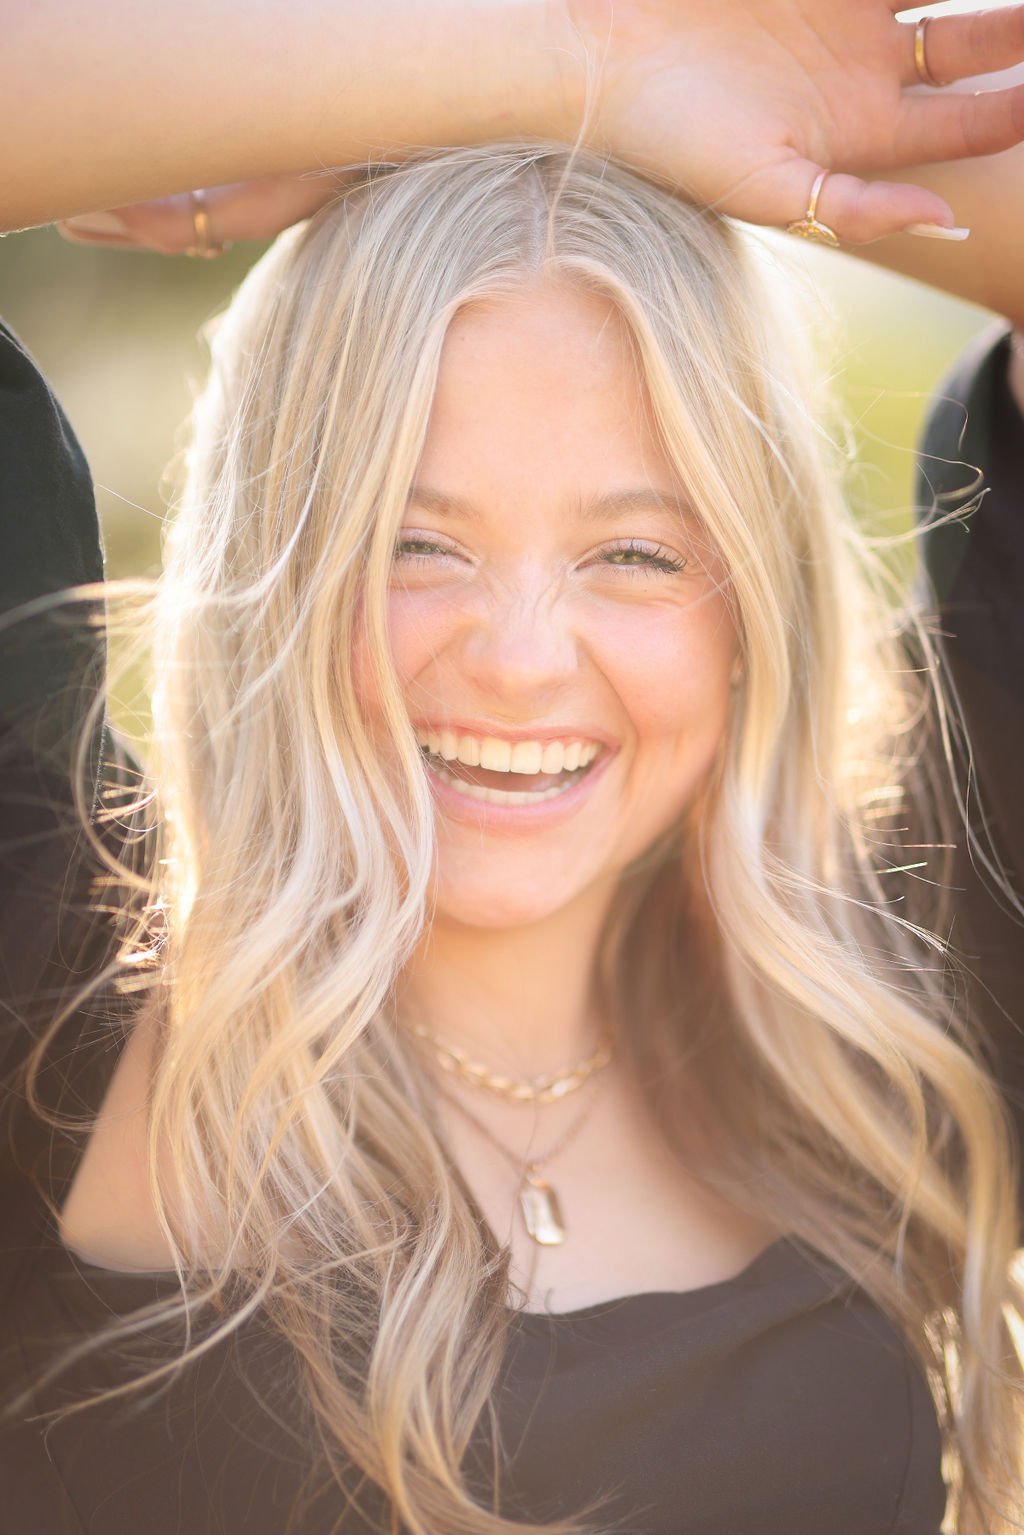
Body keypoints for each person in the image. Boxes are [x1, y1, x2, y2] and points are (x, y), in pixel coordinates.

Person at [2, 4, 1024, 1533]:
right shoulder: (54, 988)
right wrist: (559, 63)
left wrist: (665, 89)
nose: (520, 656)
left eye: (632, 552)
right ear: (276, 560)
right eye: (415, 541)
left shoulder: (905, 984)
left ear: (753, 598)